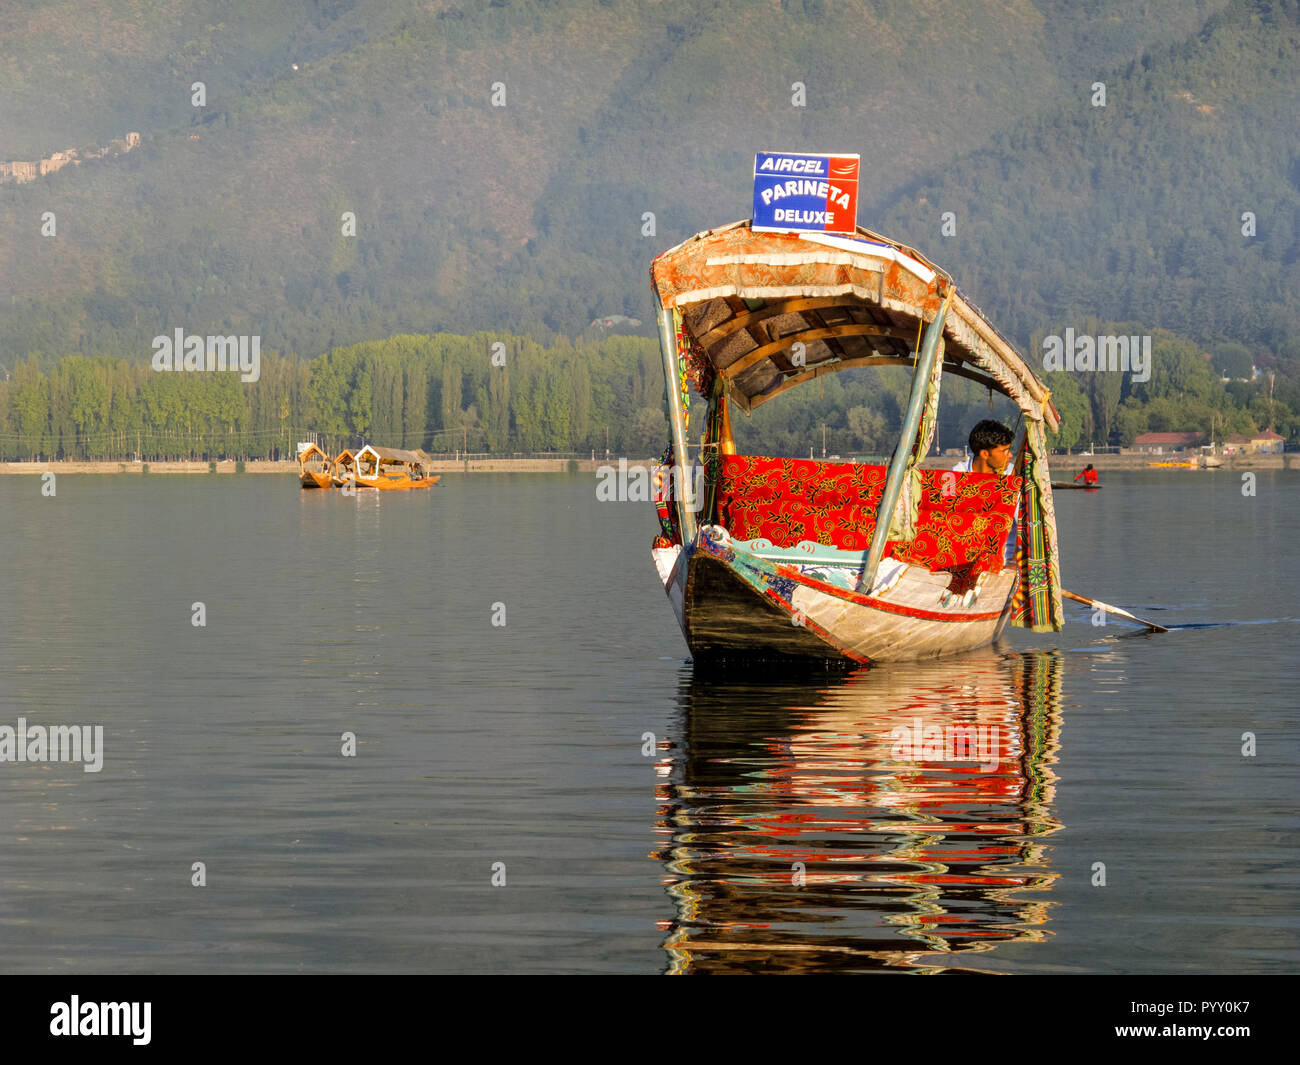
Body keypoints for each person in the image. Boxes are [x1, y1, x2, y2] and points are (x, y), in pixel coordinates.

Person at [951, 419, 1018, 565]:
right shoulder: (957, 474)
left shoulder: (1013, 476)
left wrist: (1014, 564)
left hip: (1005, 563)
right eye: (1004, 451)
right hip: (963, 560)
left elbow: (1026, 529)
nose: (1010, 455)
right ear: (985, 454)